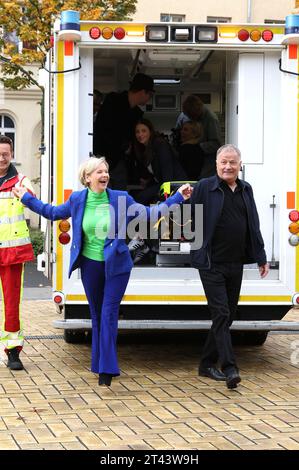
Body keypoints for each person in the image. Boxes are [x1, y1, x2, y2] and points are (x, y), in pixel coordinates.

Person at [13, 157, 192, 386]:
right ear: (87, 178)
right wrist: (27, 198)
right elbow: (53, 212)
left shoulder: (121, 199)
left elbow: (150, 215)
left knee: (108, 313)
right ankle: (97, 362)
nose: (104, 175)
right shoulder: (78, 199)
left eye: (106, 171)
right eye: (99, 171)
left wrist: (178, 197)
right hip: (90, 265)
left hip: (117, 265)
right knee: (96, 315)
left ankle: (107, 369)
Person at [189, 144, 269, 389]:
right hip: (211, 263)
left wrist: (261, 256)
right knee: (221, 313)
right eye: (223, 162)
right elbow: (188, 214)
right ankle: (230, 367)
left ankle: (206, 364)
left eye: (232, 162)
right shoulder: (205, 187)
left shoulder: (246, 189)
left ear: (240, 165)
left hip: (236, 262)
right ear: (216, 164)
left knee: (228, 315)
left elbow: (253, 224)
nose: (228, 166)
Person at [0, 135, 36, 371]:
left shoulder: (21, 181)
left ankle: (13, 351)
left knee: (12, 305)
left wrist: (25, 194)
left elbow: (33, 203)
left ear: (12, 154)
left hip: (12, 253)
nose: (2, 158)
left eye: (6, 153)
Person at [93, 73, 154, 189]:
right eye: (149, 95)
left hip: (118, 160)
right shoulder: (113, 101)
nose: (149, 99)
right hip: (103, 157)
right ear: (142, 92)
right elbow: (104, 131)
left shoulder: (136, 113)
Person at [176, 94, 222, 178]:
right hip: (186, 156)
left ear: (199, 110)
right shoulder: (184, 116)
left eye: (194, 116)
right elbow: (177, 135)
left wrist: (196, 147)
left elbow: (216, 144)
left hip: (206, 162)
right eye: (190, 117)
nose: (192, 119)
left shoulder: (211, 119)